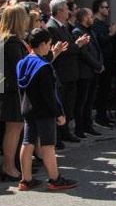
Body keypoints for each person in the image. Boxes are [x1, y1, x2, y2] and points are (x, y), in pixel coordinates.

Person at [16, 28, 77, 191]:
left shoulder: (22, 63)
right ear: (43, 44)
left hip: (27, 108)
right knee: (48, 145)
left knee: (27, 142)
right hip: (44, 112)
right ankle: (54, 178)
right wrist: (59, 113)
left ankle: (26, 179)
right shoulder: (44, 67)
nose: (50, 48)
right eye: (49, 44)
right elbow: (50, 94)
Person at [46, 0, 90, 146]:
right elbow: (60, 51)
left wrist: (78, 44)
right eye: (66, 9)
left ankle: (65, 132)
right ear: (59, 11)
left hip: (71, 73)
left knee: (68, 106)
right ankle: (57, 136)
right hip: (62, 73)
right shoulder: (52, 27)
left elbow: (69, 45)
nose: (69, 12)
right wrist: (77, 45)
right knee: (61, 105)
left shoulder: (64, 27)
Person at [0, 5, 30, 181]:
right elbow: (20, 69)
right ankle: (8, 166)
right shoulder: (12, 42)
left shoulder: (6, 40)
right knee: (13, 128)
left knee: (14, 128)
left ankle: (11, 165)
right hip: (12, 92)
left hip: (9, 90)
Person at [72, 8, 104, 138]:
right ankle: (80, 128)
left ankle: (88, 125)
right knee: (82, 101)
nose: (93, 18)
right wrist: (97, 65)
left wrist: (100, 63)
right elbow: (83, 53)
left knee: (90, 101)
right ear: (84, 17)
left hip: (93, 71)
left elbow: (96, 49)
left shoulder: (90, 30)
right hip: (84, 72)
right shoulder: (78, 31)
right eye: (90, 16)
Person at [92, 0, 116, 128]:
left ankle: (103, 115)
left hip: (109, 62)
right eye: (105, 7)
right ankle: (99, 116)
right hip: (102, 62)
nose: (108, 9)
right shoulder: (96, 24)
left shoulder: (103, 23)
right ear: (99, 8)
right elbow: (101, 41)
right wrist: (111, 32)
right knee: (102, 91)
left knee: (107, 90)